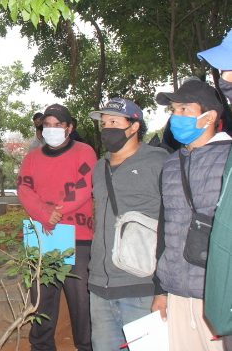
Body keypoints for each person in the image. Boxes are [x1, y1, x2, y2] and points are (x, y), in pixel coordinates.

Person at [152, 79, 229, 351]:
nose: (176, 116)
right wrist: (161, 290)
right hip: (177, 292)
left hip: (219, 295)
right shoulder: (171, 164)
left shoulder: (229, 158)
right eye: (174, 110)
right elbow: (165, 227)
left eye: (184, 109)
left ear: (209, 117)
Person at [87, 98, 168, 351]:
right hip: (100, 286)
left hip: (141, 286)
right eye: (104, 123)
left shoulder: (159, 162)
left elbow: (171, 223)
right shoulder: (99, 167)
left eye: (114, 122)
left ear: (134, 126)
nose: (106, 128)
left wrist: (163, 290)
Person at [17, 103, 96, 351]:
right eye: (47, 125)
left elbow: (84, 185)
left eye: (58, 125)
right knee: (41, 302)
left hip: (78, 237)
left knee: (82, 304)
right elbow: (24, 188)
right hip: (42, 236)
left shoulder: (84, 152)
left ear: (69, 128)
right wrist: (44, 214)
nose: (51, 129)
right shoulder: (32, 158)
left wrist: (56, 212)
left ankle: (86, 347)